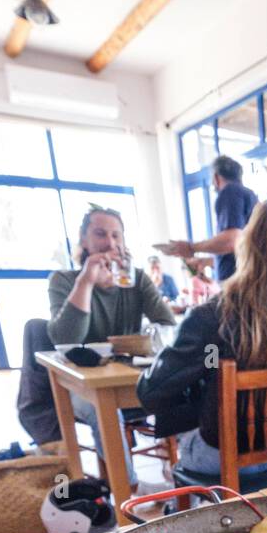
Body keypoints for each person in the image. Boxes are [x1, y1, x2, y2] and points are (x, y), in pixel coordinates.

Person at [137, 189, 267, 477]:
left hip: (221, 459)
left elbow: (150, 393)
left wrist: (202, 393)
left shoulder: (210, 317)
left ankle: (194, 515)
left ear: (248, 244)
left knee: (175, 461)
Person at [47, 206, 176, 486]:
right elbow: (65, 340)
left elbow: (167, 324)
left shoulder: (136, 279)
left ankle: (184, 479)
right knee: (99, 408)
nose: (111, 243)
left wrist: (145, 334)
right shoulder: (64, 281)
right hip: (82, 386)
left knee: (188, 386)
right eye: (101, 234)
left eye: (116, 235)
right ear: (84, 240)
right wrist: (87, 282)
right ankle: (130, 488)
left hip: (133, 380)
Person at [157, 154, 258, 282]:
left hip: (238, 284)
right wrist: (207, 261)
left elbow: (232, 240)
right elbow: (242, 251)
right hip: (248, 279)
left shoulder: (229, 192)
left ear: (216, 177)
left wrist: (191, 248)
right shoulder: (250, 196)